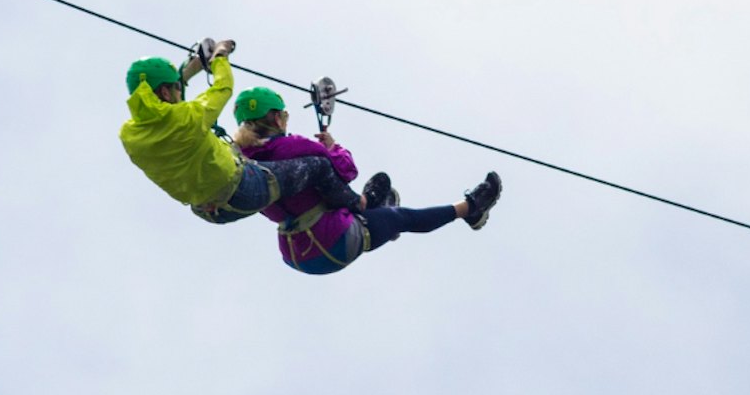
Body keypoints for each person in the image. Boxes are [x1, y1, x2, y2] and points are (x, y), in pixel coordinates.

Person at [231, 86, 502, 275]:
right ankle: (471, 209)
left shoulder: (242, 162)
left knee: (366, 203)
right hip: (331, 243)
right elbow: (347, 170)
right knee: (401, 217)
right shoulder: (292, 147)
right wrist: (333, 147)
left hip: (294, 252)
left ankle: (376, 212)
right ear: (277, 117)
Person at [119, 42, 362, 224]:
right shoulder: (189, 117)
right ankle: (362, 204)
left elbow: (164, 114)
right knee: (319, 167)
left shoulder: (129, 135)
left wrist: (187, 72)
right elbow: (222, 87)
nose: (179, 93)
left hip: (209, 211)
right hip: (240, 190)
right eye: (174, 88)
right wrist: (220, 57)